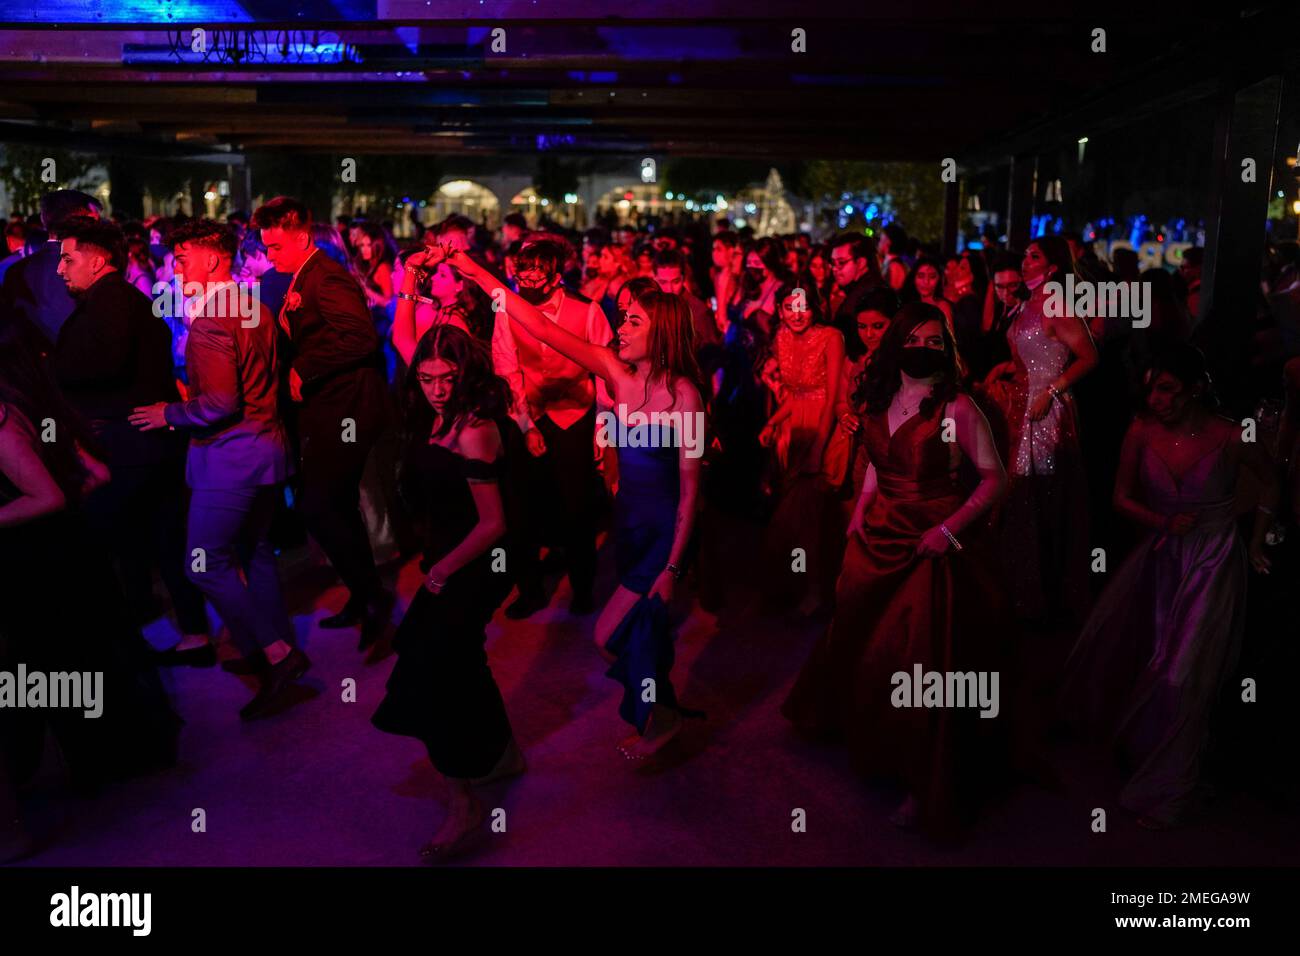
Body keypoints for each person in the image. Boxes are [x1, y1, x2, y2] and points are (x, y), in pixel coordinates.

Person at [446, 243, 704, 760]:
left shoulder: (686, 397)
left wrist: (674, 567)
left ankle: (664, 719)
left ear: (663, 331)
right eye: (622, 319)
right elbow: (540, 328)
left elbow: (692, 491)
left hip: (661, 538)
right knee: (642, 638)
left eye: (632, 321)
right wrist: (474, 269)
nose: (621, 328)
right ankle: (665, 718)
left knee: (611, 636)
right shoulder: (616, 373)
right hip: (629, 527)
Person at [782, 303, 1012, 839]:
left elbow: (995, 481)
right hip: (878, 533)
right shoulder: (876, 398)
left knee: (920, 659)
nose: (926, 350)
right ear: (896, 344)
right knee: (866, 642)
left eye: (937, 343)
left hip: (933, 541)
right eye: (917, 340)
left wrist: (949, 532)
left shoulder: (957, 408)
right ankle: (871, 739)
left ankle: (923, 779)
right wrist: (861, 509)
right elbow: (878, 462)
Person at [1060, 345, 1276, 828]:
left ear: (1195, 387)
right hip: (1161, 558)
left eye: (1167, 389)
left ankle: (1170, 790)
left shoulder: (1231, 432)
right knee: (1157, 660)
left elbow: (1271, 481)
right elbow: (1119, 497)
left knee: (1186, 670)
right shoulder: (1140, 431)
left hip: (1215, 559)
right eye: (1151, 388)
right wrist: (1161, 520)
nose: (1156, 399)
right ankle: (1159, 754)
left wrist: (1259, 539)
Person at [0, 324, 179, 841]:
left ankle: (75, 769)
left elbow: (46, 497)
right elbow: (95, 474)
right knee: (86, 655)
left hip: (35, 563)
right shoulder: (37, 403)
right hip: (73, 553)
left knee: (44, 665)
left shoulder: (2, 417)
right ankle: (102, 760)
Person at [127, 219, 305, 719]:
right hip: (268, 451)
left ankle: (277, 654)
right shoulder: (252, 306)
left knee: (201, 563)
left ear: (211, 260)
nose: (174, 268)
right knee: (256, 554)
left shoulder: (211, 321)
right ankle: (272, 649)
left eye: (182, 259)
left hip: (231, 456)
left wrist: (170, 412)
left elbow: (222, 403)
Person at [372, 325, 525, 861]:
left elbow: (494, 524)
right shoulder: (434, 419)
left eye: (448, 378)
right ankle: (501, 752)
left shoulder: (475, 429)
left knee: (431, 668)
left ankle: (463, 803)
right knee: (460, 661)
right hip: (448, 560)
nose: (436, 387)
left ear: (466, 376)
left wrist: (440, 571)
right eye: (427, 376)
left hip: (476, 564)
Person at [52, 216, 212, 645]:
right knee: (161, 539)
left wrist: (50, 369)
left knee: (115, 542)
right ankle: (190, 634)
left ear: (98, 260)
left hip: (128, 445)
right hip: (147, 444)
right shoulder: (121, 300)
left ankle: (134, 641)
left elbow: (107, 364)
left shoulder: (111, 302)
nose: (59, 268)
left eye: (68, 258)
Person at [251, 196, 394, 648]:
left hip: (348, 407)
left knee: (319, 505)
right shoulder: (297, 276)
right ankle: (363, 594)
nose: (269, 256)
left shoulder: (327, 277)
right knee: (338, 506)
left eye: (275, 247)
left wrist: (303, 368)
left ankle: (372, 599)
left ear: (300, 237)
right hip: (326, 407)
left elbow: (359, 337)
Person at [486, 237, 614, 619]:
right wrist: (526, 425)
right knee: (521, 509)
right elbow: (506, 368)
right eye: (521, 276)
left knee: (578, 510)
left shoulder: (588, 310)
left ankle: (583, 589)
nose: (526, 284)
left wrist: (602, 430)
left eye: (536, 276)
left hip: (576, 418)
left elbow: (606, 370)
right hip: (530, 414)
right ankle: (530, 590)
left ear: (556, 276)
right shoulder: (507, 309)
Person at [995, 237, 1097, 627]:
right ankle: (1020, 591)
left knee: (1040, 497)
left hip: (1046, 408)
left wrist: (1052, 390)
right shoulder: (1027, 303)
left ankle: (1044, 598)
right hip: (1021, 403)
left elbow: (1090, 356)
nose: (1025, 260)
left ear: (1053, 267)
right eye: (1025, 253)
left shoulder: (1056, 303)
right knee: (1019, 498)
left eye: (1033, 255)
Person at [758, 284, 845, 614]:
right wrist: (772, 423)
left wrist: (818, 448)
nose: (797, 314)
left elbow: (833, 396)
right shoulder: (780, 336)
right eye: (790, 307)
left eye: (804, 307)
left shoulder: (831, 337)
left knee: (808, 518)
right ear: (780, 310)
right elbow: (795, 395)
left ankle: (816, 592)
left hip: (825, 429)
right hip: (795, 428)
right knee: (797, 518)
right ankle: (802, 588)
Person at [0, 189, 100, 349]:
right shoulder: (88, 267)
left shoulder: (16, 269)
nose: (101, 230)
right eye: (95, 222)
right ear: (77, 222)